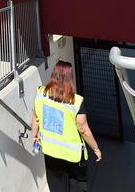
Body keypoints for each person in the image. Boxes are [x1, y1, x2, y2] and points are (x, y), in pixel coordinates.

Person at [31, 61, 102, 192]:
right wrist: (96, 149)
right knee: (78, 185)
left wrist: (34, 136)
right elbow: (83, 130)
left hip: (51, 151)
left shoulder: (40, 94)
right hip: (73, 155)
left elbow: (36, 118)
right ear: (70, 78)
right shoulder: (76, 101)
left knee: (57, 184)